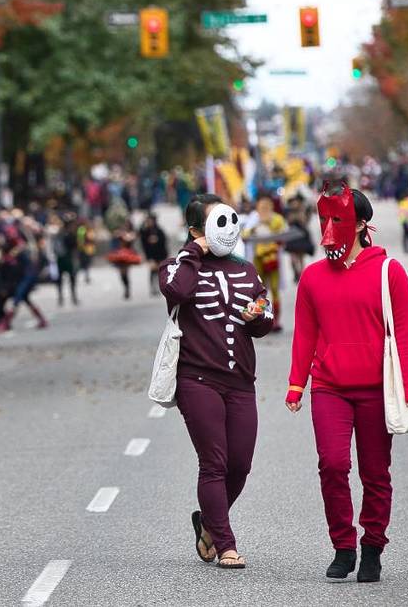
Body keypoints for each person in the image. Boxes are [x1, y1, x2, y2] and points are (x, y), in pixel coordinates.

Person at [285, 183, 408, 583]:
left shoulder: (388, 272)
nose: (328, 227)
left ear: (362, 223)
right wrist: (296, 384)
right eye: (323, 219)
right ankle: (343, 546)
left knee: (376, 474)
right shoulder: (312, 278)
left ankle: (373, 547)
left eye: (337, 219)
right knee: (332, 464)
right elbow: (305, 334)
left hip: (377, 389)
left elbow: (407, 332)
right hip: (329, 387)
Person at [159, 194, 274, 570]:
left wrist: (259, 315)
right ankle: (226, 544)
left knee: (240, 464)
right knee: (214, 463)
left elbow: (263, 321)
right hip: (198, 379)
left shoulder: (245, 269)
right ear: (195, 229)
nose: (225, 230)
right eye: (214, 223)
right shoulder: (178, 265)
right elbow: (176, 291)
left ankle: (208, 522)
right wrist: (194, 250)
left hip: (241, 380)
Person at [243, 195, 287, 331]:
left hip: (273, 260)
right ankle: (260, 316)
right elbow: (244, 235)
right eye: (262, 207)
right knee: (260, 290)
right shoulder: (254, 219)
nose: (264, 209)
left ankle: (275, 320)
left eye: (267, 206)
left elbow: (284, 235)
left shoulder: (277, 219)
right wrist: (255, 228)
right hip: (258, 259)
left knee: (274, 289)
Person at [139, 213, 169, 297]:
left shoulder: (159, 230)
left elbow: (164, 241)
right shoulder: (145, 231)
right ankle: (153, 287)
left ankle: (160, 287)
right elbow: (142, 240)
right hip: (151, 255)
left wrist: (157, 240)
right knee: (152, 270)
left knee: (160, 271)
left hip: (160, 254)